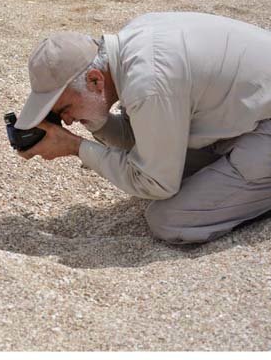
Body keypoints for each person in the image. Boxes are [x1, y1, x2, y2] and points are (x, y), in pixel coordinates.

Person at [15, 12, 271, 244]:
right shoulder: (133, 46)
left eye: (64, 108)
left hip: (263, 125)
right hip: (252, 118)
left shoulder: (148, 84)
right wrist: (97, 122)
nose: (68, 120)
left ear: (95, 79)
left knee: (171, 220)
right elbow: (140, 138)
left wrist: (76, 147)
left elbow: (157, 183)